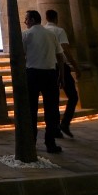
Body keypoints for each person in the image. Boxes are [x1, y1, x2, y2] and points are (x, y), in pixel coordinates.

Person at [22, 10, 64, 154]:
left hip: (32, 74)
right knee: (51, 110)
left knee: (31, 109)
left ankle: (31, 141)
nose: (25, 21)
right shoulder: (51, 34)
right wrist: (61, 75)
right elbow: (60, 56)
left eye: (26, 19)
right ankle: (50, 142)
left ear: (32, 20)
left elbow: (21, 56)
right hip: (50, 74)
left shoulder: (26, 34)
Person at [45, 9, 81, 138]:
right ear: (56, 18)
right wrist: (75, 66)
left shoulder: (44, 31)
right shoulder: (59, 31)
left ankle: (54, 129)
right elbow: (65, 50)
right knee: (73, 96)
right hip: (60, 67)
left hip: (47, 67)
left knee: (52, 100)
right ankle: (64, 123)